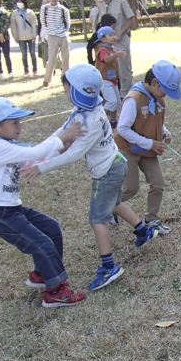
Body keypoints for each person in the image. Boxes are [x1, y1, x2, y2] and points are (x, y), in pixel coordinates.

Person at [20, 64, 160, 291]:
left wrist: (40, 168)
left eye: (66, 88)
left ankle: (108, 267)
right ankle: (143, 230)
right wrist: (36, 154)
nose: (65, 92)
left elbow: (73, 153)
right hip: (117, 164)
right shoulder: (86, 110)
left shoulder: (89, 122)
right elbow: (61, 133)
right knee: (114, 203)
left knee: (97, 219)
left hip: (106, 172)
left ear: (77, 91)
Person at [0, 97, 86, 307]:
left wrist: (61, 147)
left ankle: (42, 275)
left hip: (10, 208)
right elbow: (35, 152)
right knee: (41, 244)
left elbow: (32, 158)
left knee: (51, 228)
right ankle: (56, 293)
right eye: (14, 123)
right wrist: (63, 136)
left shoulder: (6, 144)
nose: (19, 126)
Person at [115, 60, 181, 233]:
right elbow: (122, 129)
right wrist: (149, 143)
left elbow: (157, 120)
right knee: (131, 188)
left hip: (148, 151)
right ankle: (110, 206)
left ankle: (152, 219)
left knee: (158, 183)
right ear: (154, 83)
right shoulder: (134, 99)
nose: (165, 95)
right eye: (165, 90)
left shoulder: (157, 98)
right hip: (128, 150)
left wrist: (165, 132)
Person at [94, 0, 135, 98]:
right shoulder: (100, 4)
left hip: (120, 40)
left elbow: (131, 18)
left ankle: (126, 95)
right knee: (108, 69)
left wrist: (120, 33)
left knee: (124, 69)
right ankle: (112, 95)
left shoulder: (120, 1)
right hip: (106, 43)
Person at [93, 25, 126, 128]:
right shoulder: (103, 50)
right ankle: (98, 119)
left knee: (117, 102)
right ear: (103, 38)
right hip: (104, 80)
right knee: (111, 101)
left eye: (114, 35)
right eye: (110, 35)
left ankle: (113, 120)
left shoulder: (111, 48)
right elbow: (106, 60)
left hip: (113, 80)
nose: (114, 37)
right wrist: (117, 55)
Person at [40, 0, 70, 88]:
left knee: (65, 58)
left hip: (62, 35)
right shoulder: (44, 9)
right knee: (52, 58)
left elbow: (67, 23)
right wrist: (47, 33)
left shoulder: (63, 9)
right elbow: (43, 22)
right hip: (52, 36)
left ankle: (65, 78)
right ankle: (47, 79)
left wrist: (64, 32)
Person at [10, 0, 38, 77]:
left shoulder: (30, 12)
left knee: (33, 53)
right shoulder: (15, 13)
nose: (19, 3)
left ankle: (35, 69)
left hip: (30, 36)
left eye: (21, 1)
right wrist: (15, 36)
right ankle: (26, 70)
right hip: (21, 37)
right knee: (24, 54)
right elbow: (13, 25)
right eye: (18, 1)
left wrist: (34, 35)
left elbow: (34, 24)